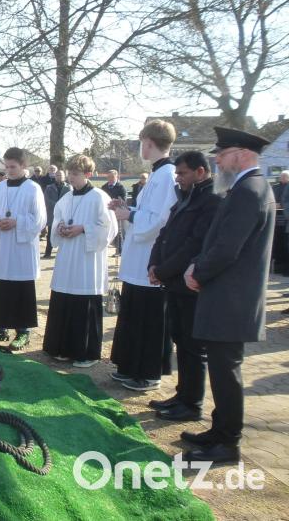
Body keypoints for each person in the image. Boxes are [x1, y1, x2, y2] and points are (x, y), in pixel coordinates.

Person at [180, 127, 274, 463]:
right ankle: (219, 430)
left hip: (231, 301)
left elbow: (227, 249)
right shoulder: (247, 188)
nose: (217, 160)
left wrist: (197, 272)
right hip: (227, 298)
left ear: (242, 154)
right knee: (221, 370)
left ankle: (228, 442)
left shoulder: (249, 190)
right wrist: (197, 265)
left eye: (222, 154)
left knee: (226, 371)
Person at [146, 151, 221, 422]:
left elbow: (194, 244)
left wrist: (163, 270)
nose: (177, 178)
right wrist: (153, 264)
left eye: (182, 173)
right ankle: (182, 395)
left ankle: (192, 403)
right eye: (177, 172)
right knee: (180, 339)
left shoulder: (212, 200)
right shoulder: (186, 196)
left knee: (192, 346)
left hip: (190, 284)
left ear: (200, 171)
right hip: (173, 283)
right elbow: (165, 233)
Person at [109, 120, 178, 391]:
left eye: (142, 143)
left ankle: (149, 372)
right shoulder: (156, 174)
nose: (141, 148)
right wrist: (128, 208)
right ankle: (130, 365)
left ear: (148, 143)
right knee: (135, 315)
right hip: (138, 258)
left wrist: (130, 215)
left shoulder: (167, 176)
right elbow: (147, 212)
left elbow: (160, 220)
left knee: (150, 318)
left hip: (152, 258)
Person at [42, 155, 116, 366]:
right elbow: (57, 219)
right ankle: (62, 348)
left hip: (87, 260)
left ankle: (86, 353)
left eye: (75, 174)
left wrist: (83, 228)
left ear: (88, 174)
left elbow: (110, 228)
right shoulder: (66, 197)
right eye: (70, 173)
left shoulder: (99, 197)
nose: (71, 177)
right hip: (67, 257)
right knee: (64, 299)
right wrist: (60, 228)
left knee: (83, 304)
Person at [0, 147, 46, 350]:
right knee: (1, 285)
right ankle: (0, 327)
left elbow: (39, 219)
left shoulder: (33, 189)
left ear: (23, 165)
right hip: (3, 245)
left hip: (22, 249)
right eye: (7, 166)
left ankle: (23, 331)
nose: (9, 170)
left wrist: (17, 222)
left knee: (21, 288)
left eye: (13, 167)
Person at [42, 169, 71, 258]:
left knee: (64, 233)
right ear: (55, 176)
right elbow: (46, 199)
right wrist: (58, 205)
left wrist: (61, 206)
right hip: (52, 214)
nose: (59, 177)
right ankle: (48, 253)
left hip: (65, 214)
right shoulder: (49, 187)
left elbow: (70, 200)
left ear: (64, 177)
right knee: (50, 233)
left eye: (61, 175)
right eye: (57, 175)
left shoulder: (69, 188)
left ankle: (63, 253)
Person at [102, 169, 127, 254]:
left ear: (116, 177)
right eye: (108, 177)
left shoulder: (121, 187)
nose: (110, 179)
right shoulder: (104, 187)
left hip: (116, 211)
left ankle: (119, 250)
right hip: (106, 211)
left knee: (118, 230)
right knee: (106, 229)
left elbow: (123, 200)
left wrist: (115, 203)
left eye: (112, 177)